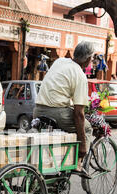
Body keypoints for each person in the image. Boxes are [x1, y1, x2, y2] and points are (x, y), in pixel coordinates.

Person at [34, 41, 94, 177]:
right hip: (57, 113)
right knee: (87, 128)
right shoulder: (80, 76)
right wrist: (83, 144)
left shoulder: (59, 61)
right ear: (89, 59)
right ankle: (78, 163)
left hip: (37, 111)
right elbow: (79, 114)